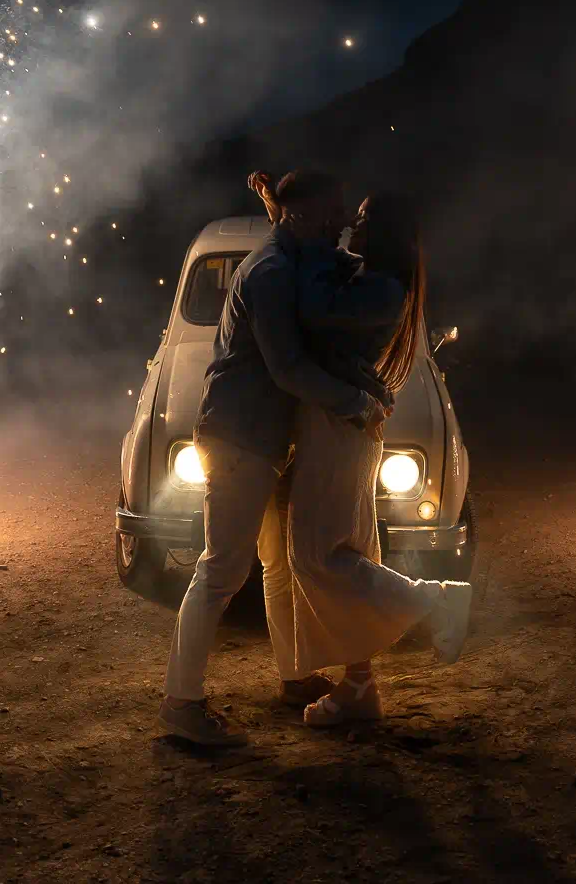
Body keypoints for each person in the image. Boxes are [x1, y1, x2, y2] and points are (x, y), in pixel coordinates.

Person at [158, 170, 390, 748]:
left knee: (276, 565)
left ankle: (292, 677)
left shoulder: (282, 255)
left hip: (259, 439)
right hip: (241, 439)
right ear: (306, 215)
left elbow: (291, 233)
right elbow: (286, 368)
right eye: (333, 213)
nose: (341, 224)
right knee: (220, 571)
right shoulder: (271, 272)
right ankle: (181, 702)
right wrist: (355, 402)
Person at [250, 176, 472, 727]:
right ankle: (359, 685)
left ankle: (438, 599)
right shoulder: (371, 277)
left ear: (388, 228)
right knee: (351, 552)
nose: (354, 222)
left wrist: (288, 224)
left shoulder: (380, 289)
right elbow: (319, 273)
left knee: (318, 557)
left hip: (338, 428)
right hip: (341, 425)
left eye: (366, 215)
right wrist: (287, 215)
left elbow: (310, 302)